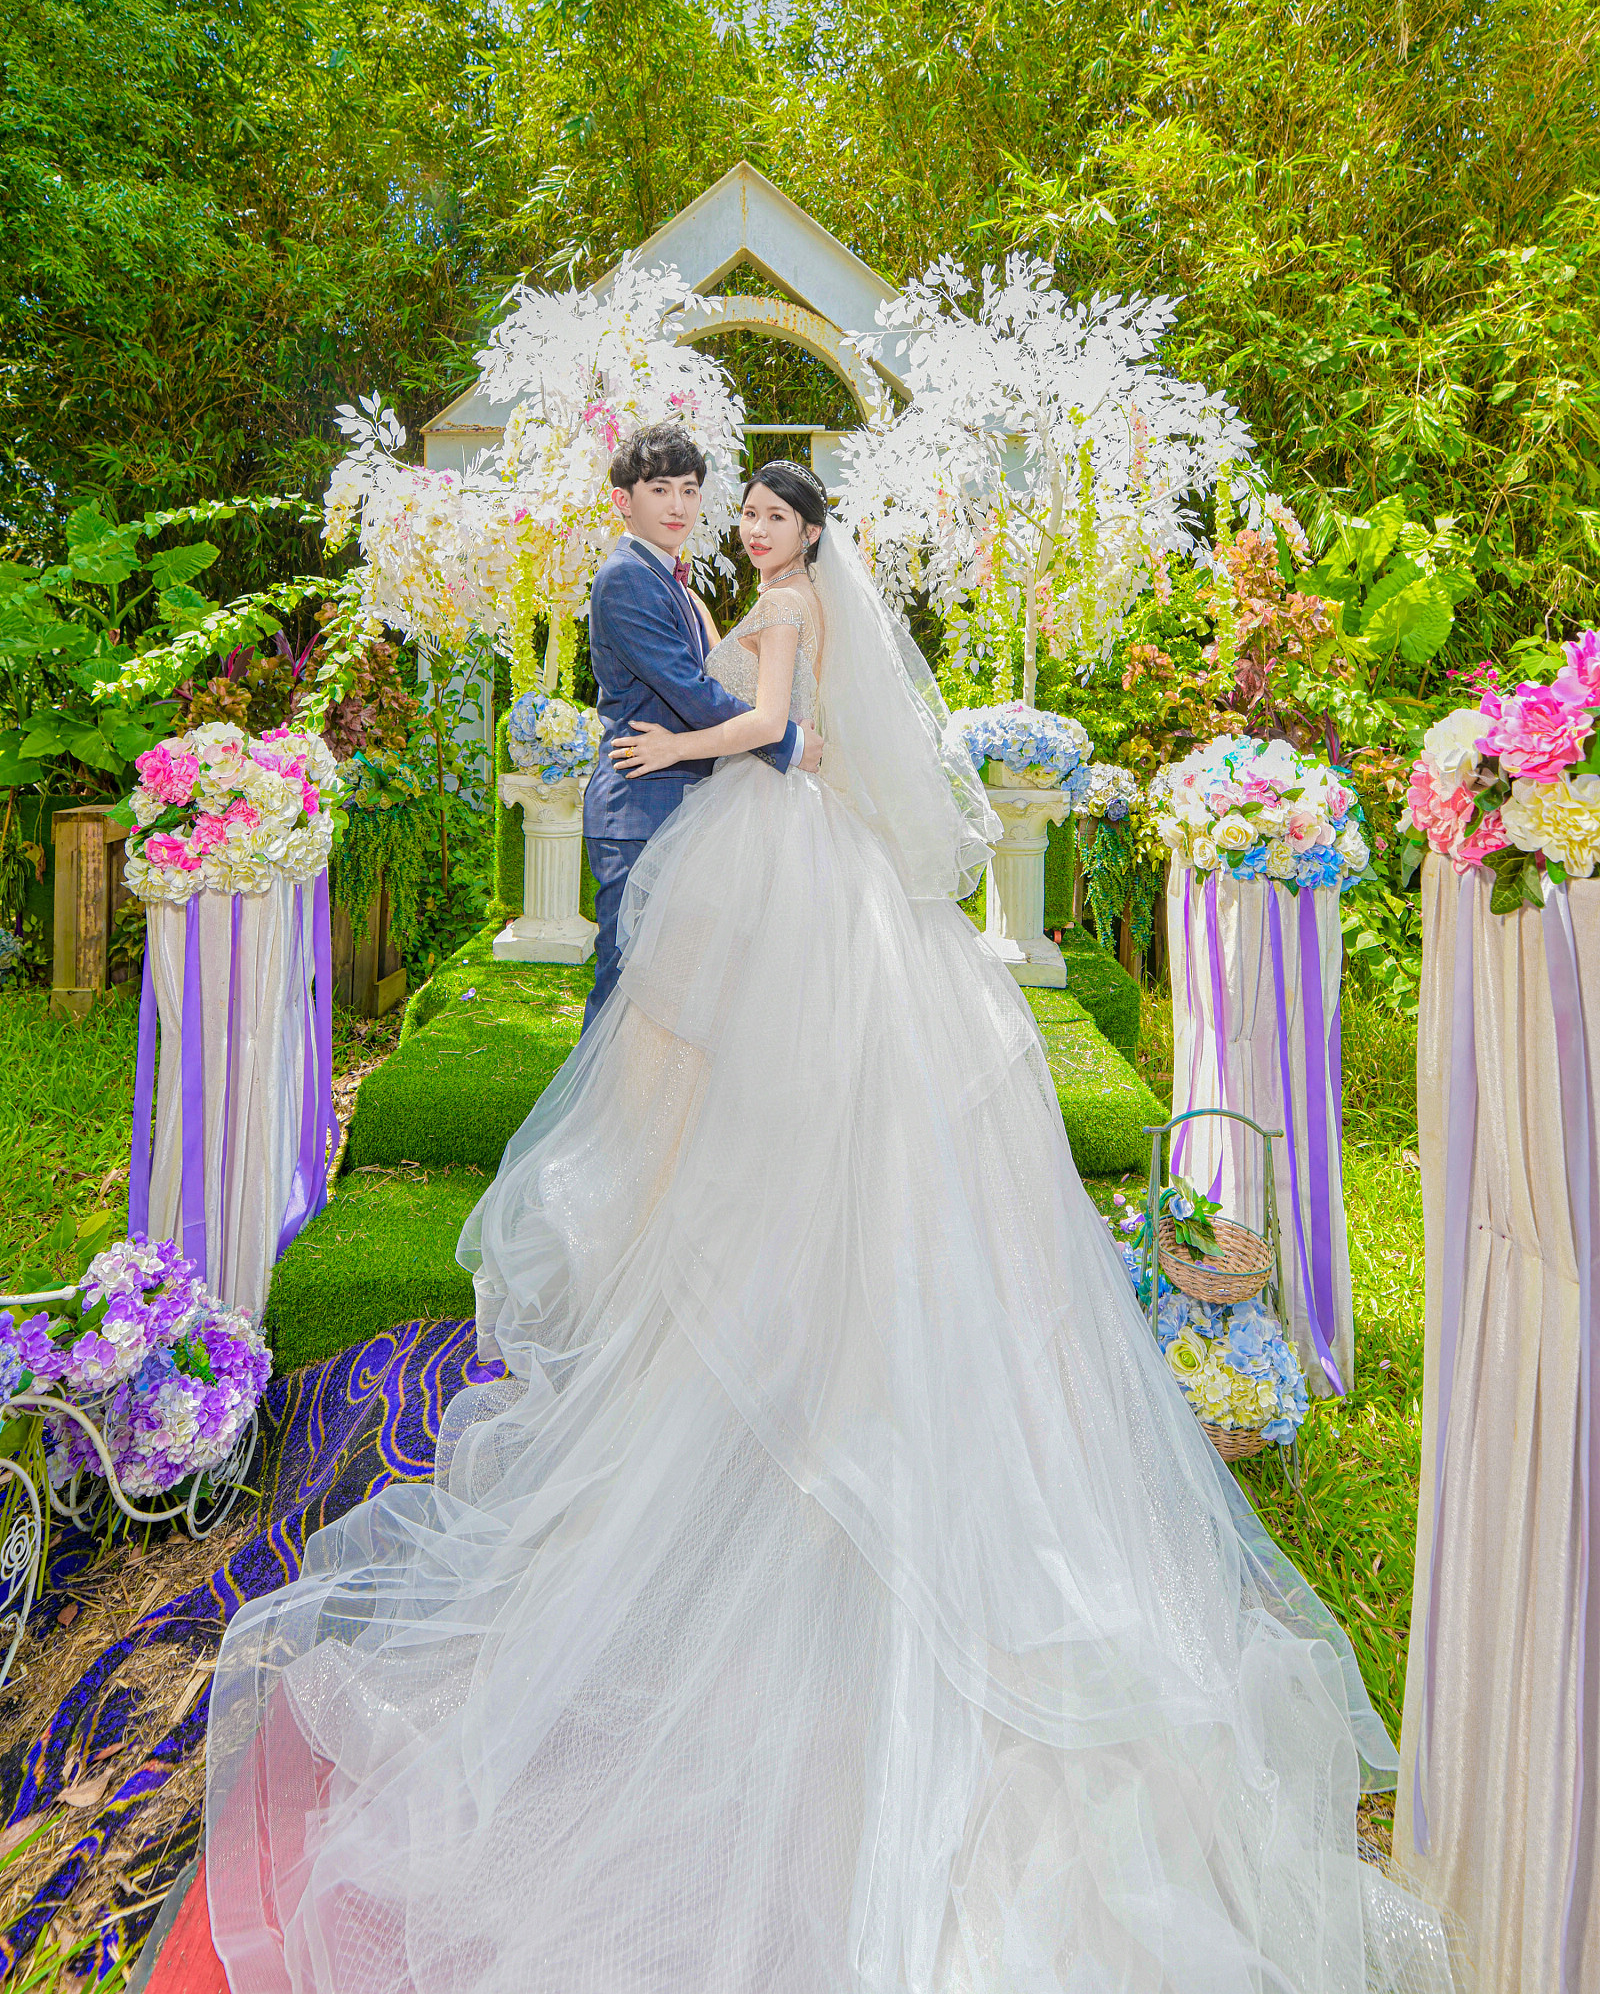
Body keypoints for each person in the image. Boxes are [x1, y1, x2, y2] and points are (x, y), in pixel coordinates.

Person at [206, 462, 1459, 1994]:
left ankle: (794, 1315)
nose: (752, 537)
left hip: (779, 839)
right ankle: (756, 1282)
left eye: (769, 521)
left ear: (809, 538)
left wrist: (683, 734)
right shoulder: (722, 588)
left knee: (796, 1085)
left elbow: (784, 734)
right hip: (777, 853)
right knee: (752, 1083)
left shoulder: (785, 607)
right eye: (742, 518)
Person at [581, 425, 822, 1032]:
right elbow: (689, 691)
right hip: (640, 799)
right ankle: (596, 1128)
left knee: (666, 990)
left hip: (681, 798)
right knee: (625, 983)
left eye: (689, 491)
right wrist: (786, 741)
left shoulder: (671, 580)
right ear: (622, 500)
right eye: (659, 489)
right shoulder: (627, 578)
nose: (677, 506)